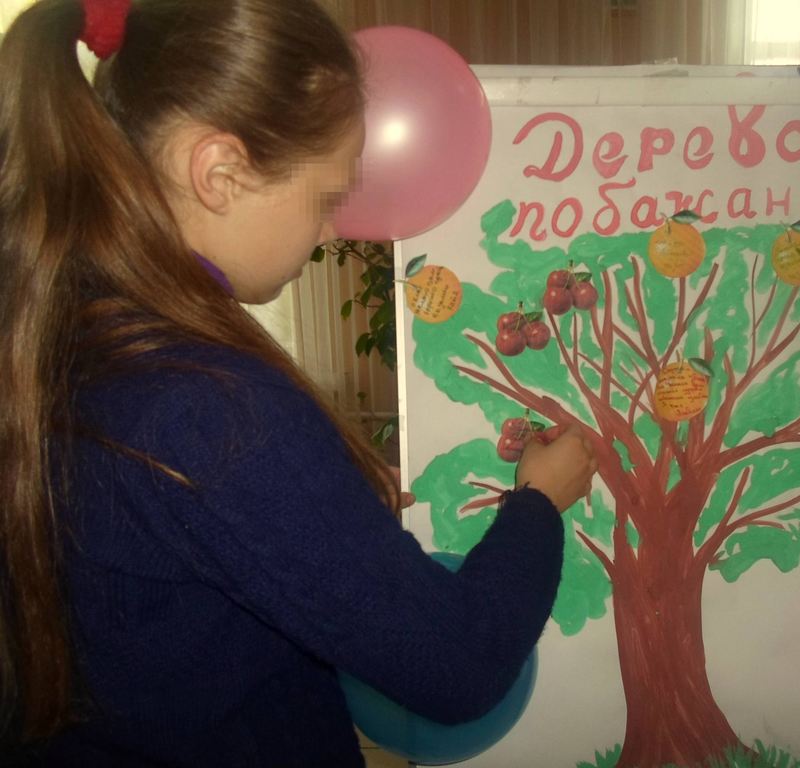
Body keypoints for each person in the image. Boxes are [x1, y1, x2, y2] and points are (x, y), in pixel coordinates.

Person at [0, 0, 598, 765]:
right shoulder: (209, 406)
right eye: (324, 199)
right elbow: (459, 665)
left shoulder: (58, 321)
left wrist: (318, 514)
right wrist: (539, 503)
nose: (329, 231)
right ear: (220, 173)